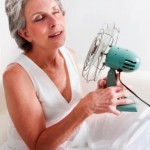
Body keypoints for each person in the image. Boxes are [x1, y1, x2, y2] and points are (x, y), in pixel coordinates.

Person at [1, 0, 150, 149]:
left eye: (56, 11)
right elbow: (39, 146)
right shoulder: (17, 75)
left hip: (77, 137)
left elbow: (70, 111)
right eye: (40, 18)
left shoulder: (69, 55)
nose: (54, 22)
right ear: (25, 33)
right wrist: (87, 106)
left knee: (145, 122)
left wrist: (99, 98)